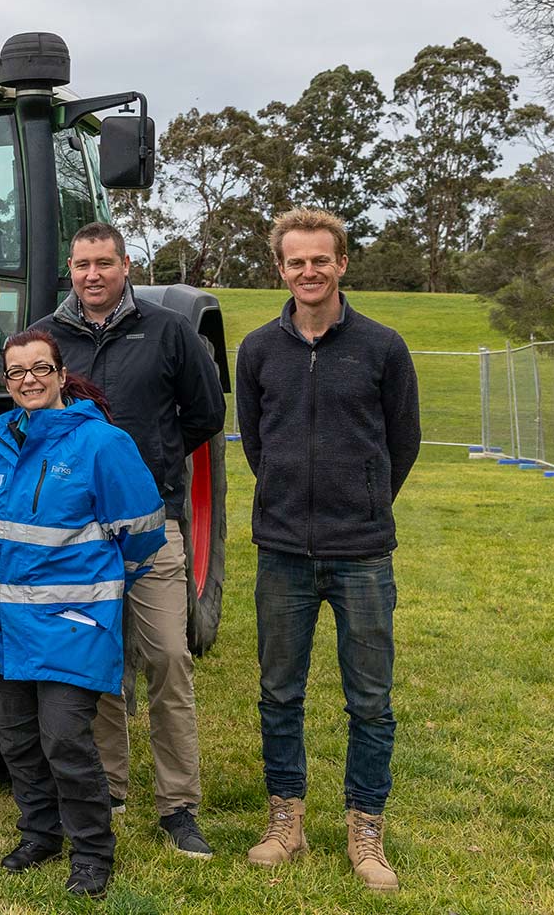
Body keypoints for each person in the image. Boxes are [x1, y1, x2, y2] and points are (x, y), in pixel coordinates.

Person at [235, 207, 420, 892]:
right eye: (295, 261)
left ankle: (365, 829)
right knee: (278, 693)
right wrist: (289, 499)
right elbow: (256, 443)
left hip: (363, 553)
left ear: (342, 263)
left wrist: (364, 501)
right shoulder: (256, 349)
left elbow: (403, 443)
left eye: (321, 259)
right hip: (281, 551)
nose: (308, 272)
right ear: (280, 268)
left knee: (369, 701)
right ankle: (286, 820)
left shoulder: (382, 347)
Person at [31, 222, 225, 857]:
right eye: (82, 264)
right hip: (78, 536)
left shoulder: (168, 331)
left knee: (168, 657)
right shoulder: (47, 339)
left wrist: (157, 467)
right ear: (70, 268)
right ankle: (110, 786)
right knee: (101, 665)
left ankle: (179, 806)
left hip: (151, 528)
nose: (93, 275)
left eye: (104, 263)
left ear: (126, 265)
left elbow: (205, 415)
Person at [0, 329, 165, 899]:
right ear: (6, 381)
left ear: (60, 373)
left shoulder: (101, 444)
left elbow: (143, 534)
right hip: (0, 621)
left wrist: (94, 586)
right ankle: (40, 832)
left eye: (40, 368)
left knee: (66, 741)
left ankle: (93, 851)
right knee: (17, 741)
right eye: (17, 371)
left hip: (70, 624)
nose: (29, 379)